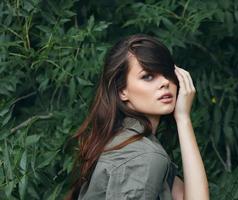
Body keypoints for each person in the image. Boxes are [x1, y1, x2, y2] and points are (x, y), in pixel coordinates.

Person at [65, 34, 209, 200]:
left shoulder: (129, 144)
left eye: (167, 72)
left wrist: (183, 118)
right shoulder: (142, 156)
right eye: (148, 76)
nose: (165, 82)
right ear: (122, 91)